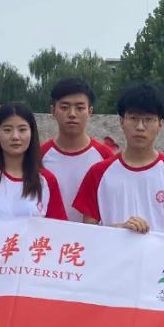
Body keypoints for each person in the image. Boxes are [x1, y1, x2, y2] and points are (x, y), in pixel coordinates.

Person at [73, 83, 164, 234]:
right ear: (121, 121)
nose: (140, 127)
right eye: (133, 118)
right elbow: (87, 234)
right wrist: (119, 231)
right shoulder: (98, 173)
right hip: (110, 250)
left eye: (148, 119)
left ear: (160, 124)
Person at [0, 102, 67, 221]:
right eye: (7, 130)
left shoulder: (46, 180)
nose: (15, 137)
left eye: (22, 130)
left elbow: (58, 228)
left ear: (31, 133)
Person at [41, 77, 115, 221]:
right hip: (49, 233)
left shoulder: (105, 157)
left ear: (90, 111)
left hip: (93, 234)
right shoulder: (39, 156)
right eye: (64, 107)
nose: (72, 114)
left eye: (80, 108)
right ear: (53, 110)